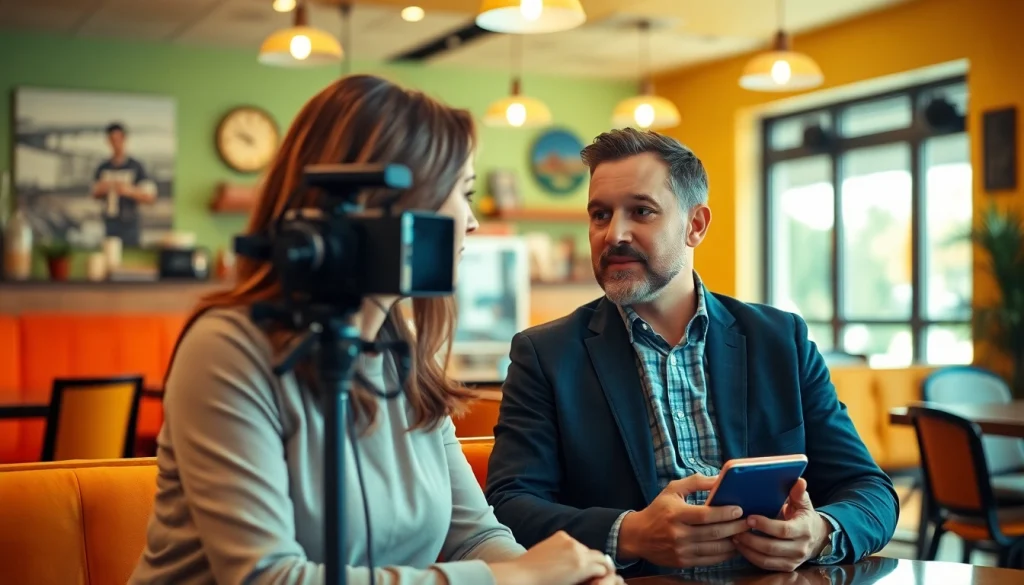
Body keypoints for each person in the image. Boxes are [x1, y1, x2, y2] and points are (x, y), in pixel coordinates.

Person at [129, 75, 621, 585]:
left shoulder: (400, 350)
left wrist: (565, 577)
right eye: (461, 193)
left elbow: (471, 535)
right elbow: (268, 578)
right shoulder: (227, 349)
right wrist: (516, 580)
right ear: (380, 208)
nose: (472, 221)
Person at [485, 128, 900, 579]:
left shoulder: (782, 340)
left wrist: (818, 532)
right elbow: (509, 507)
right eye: (600, 215)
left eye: (641, 211)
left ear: (695, 225)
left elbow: (870, 490)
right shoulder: (545, 355)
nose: (614, 234)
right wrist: (630, 533)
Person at [91, 122, 156, 247]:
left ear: (125, 139)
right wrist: (104, 188)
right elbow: (94, 193)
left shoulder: (136, 167)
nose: (116, 144)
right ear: (108, 141)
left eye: (119, 139)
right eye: (113, 140)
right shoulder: (103, 167)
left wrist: (129, 190)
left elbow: (150, 197)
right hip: (110, 221)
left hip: (130, 223)